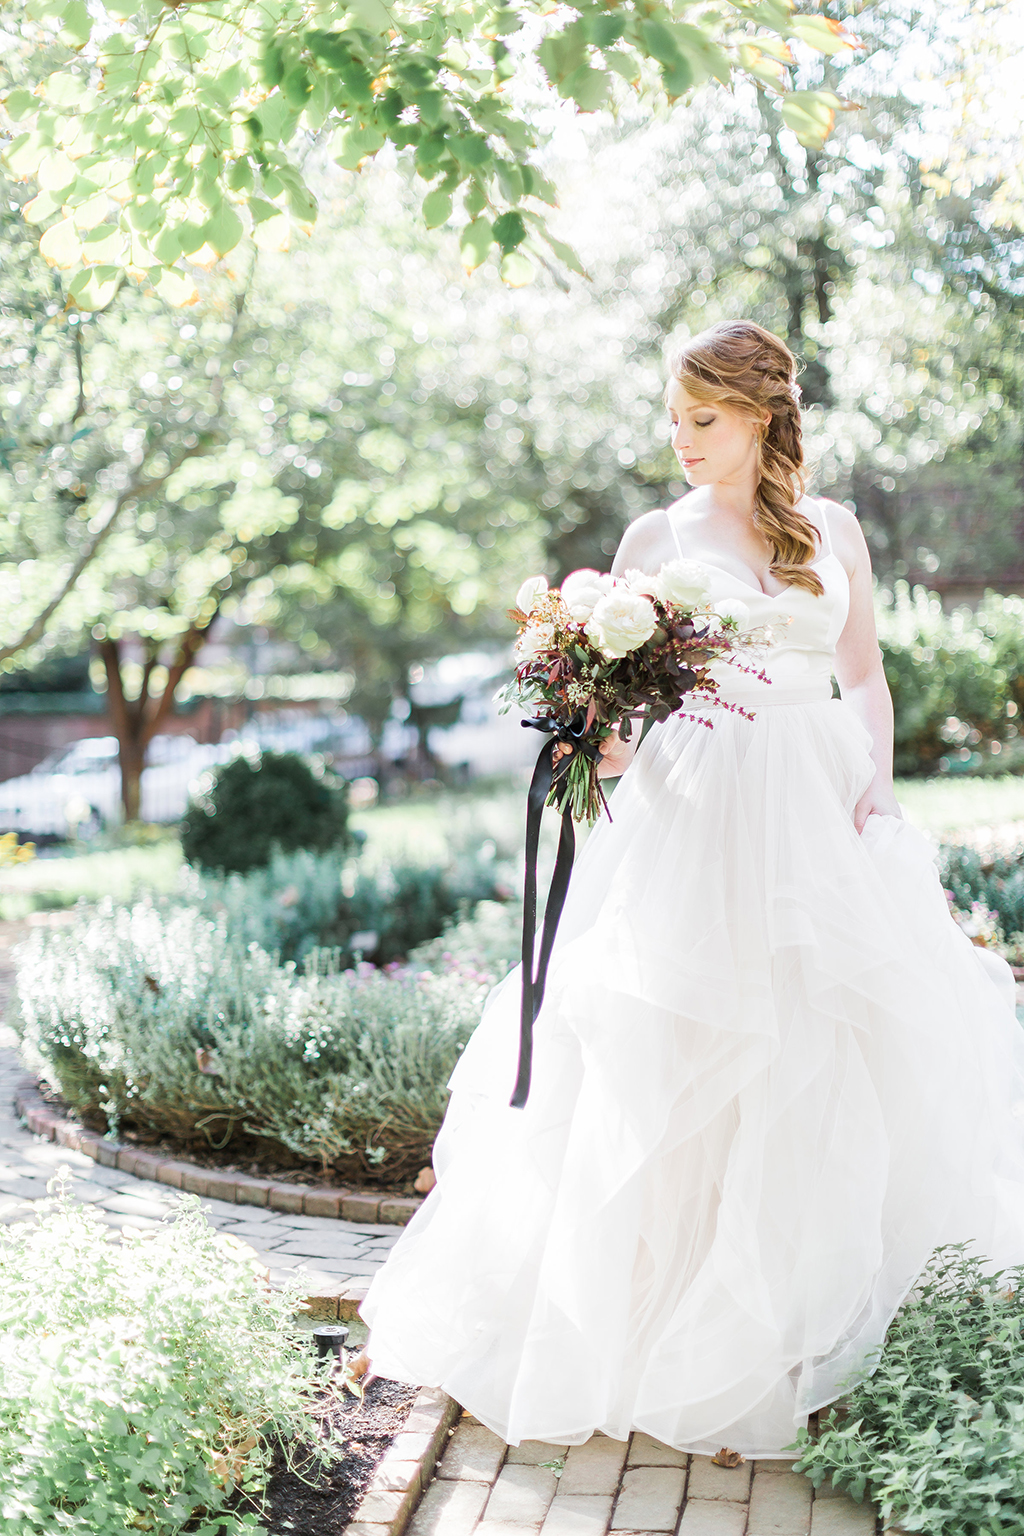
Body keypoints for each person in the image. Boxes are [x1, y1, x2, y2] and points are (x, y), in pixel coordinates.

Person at [356, 320, 1024, 1458]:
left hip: (820, 809)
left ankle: (803, 1338)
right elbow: (623, 707)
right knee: (671, 1058)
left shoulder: (839, 532)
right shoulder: (657, 534)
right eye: (671, 420)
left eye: (700, 421)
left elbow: (860, 678)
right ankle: (665, 1331)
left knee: (825, 1059)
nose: (680, 441)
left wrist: (878, 788)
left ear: (760, 414)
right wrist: (594, 739)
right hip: (697, 813)